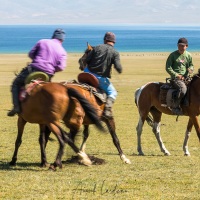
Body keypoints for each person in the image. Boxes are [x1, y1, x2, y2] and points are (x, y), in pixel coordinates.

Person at [7, 28, 67, 117]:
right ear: (62, 40)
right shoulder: (63, 51)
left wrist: (38, 60)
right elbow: (61, 67)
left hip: (33, 70)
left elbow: (31, 54)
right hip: (47, 75)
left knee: (16, 83)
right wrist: (52, 69)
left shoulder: (42, 41)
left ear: (53, 36)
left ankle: (16, 107)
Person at [83, 32, 122, 119]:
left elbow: (87, 60)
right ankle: (107, 112)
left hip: (85, 74)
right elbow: (118, 68)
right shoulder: (114, 52)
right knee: (113, 92)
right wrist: (119, 69)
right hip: (99, 78)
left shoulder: (96, 48)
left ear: (105, 40)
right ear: (114, 42)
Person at [166, 37, 194, 115]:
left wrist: (191, 69)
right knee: (183, 89)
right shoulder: (173, 55)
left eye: (183, 46)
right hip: (176, 79)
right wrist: (176, 75)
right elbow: (168, 67)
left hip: (186, 77)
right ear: (177, 46)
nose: (181, 47)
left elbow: (191, 65)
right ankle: (175, 107)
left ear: (186, 46)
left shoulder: (188, 55)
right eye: (179, 45)